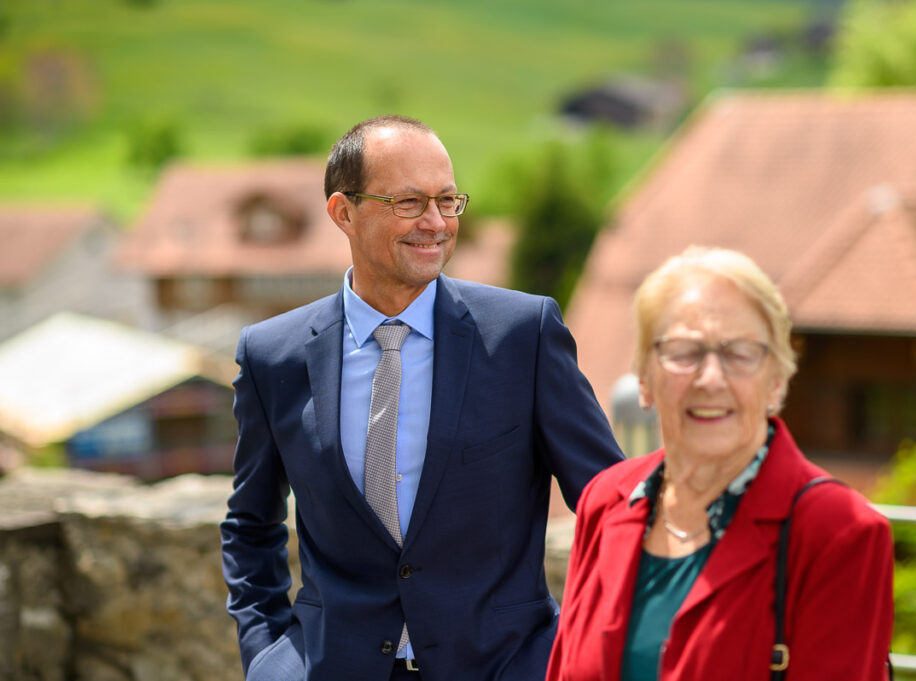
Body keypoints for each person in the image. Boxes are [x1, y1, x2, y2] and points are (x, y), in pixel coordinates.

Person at [220, 115, 624, 681]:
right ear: (344, 212)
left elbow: (613, 506)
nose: (435, 223)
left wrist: (577, 649)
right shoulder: (272, 354)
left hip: (505, 667)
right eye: (408, 202)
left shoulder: (522, 335)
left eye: (447, 200)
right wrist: (267, 657)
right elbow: (249, 524)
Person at [546, 246, 893, 681]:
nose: (710, 378)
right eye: (684, 351)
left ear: (777, 380)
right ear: (645, 379)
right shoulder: (604, 500)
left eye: (739, 353)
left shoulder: (839, 532)